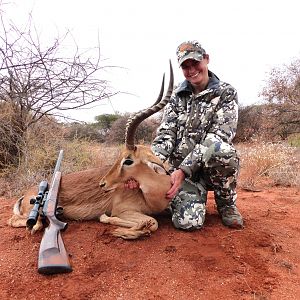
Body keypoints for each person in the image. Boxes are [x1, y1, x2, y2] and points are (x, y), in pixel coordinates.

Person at [127, 40, 243, 230]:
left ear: (206, 59)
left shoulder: (225, 93)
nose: (191, 70)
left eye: (195, 63)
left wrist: (184, 169)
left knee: (223, 151)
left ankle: (227, 205)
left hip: (209, 168)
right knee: (189, 223)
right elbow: (166, 135)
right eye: (185, 66)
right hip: (182, 174)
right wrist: (148, 167)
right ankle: (188, 200)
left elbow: (219, 137)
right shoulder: (176, 96)